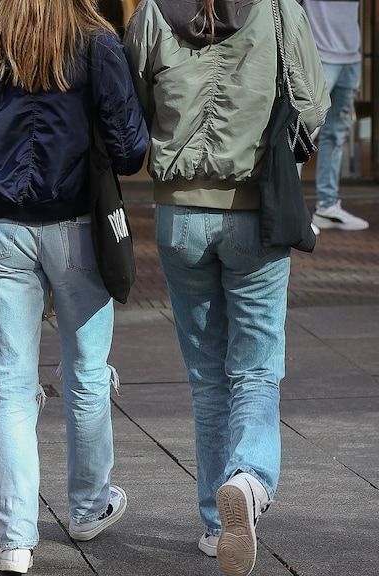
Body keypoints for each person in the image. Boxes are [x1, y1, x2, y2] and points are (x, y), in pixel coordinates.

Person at [124, 1, 328, 575]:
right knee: (257, 368)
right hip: (255, 209)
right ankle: (249, 480)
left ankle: (217, 525)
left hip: (178, 217)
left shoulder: (152, 13)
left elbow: (129, 106)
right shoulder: (279, 9)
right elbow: (312, 104)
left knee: (207, 376)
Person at [0, 0, 147, 572]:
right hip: (79, 229)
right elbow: (132, 149)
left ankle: (15, 540)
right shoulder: (97, 42)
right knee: (86, 371)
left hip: (7, 229)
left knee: (10, 387)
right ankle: (87, 508)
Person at [303, 0, 369, 231]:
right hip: (319, 56)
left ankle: (327, 208)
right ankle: (292, 212)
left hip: (351, 58)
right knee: (302, 135)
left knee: (336, 136)